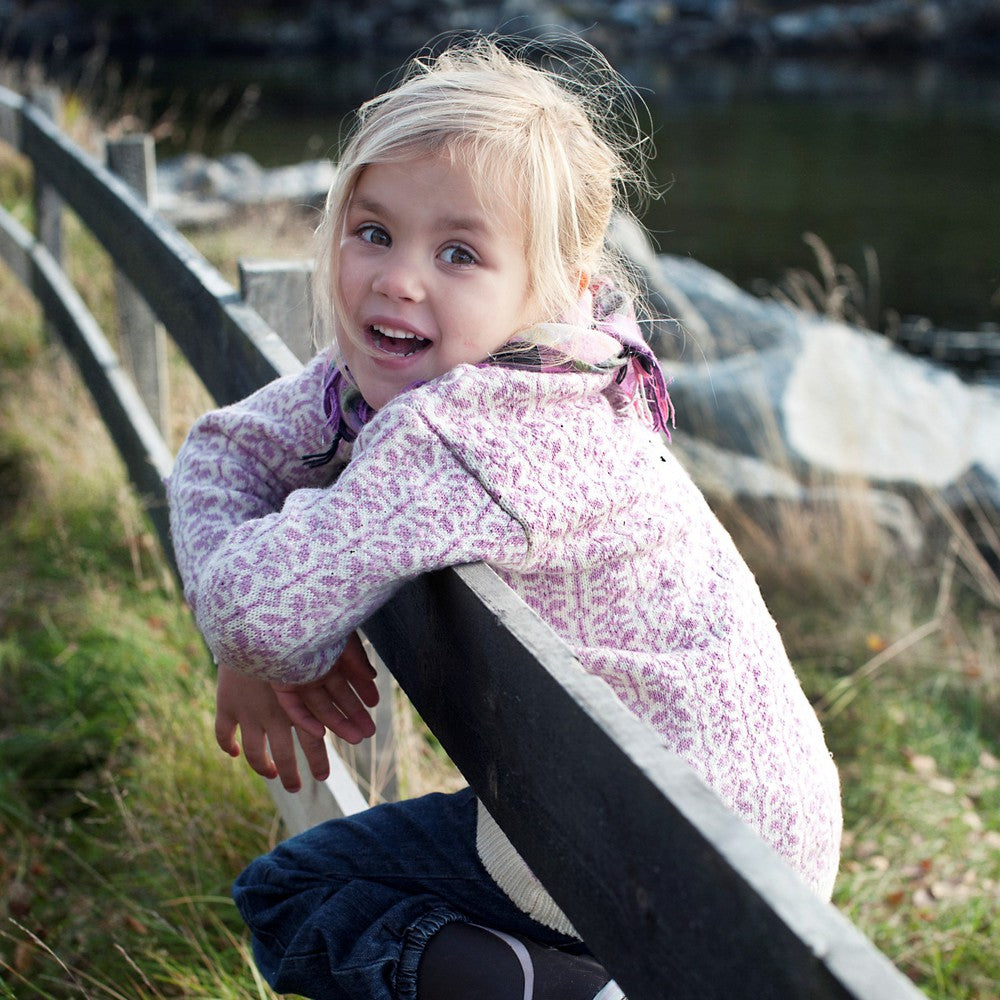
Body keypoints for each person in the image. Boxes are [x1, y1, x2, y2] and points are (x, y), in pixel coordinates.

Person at [167, 32, 841, 1000]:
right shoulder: (535, 365)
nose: (400, 278)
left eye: (458, 252)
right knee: (315, 889)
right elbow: (223, 451)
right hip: (727, 815)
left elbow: (258, 612)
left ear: (552, 290)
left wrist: (250, 642)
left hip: (656, 842)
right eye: (372, 232)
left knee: (295, 896)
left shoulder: (475, 431)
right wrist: (258, 625)